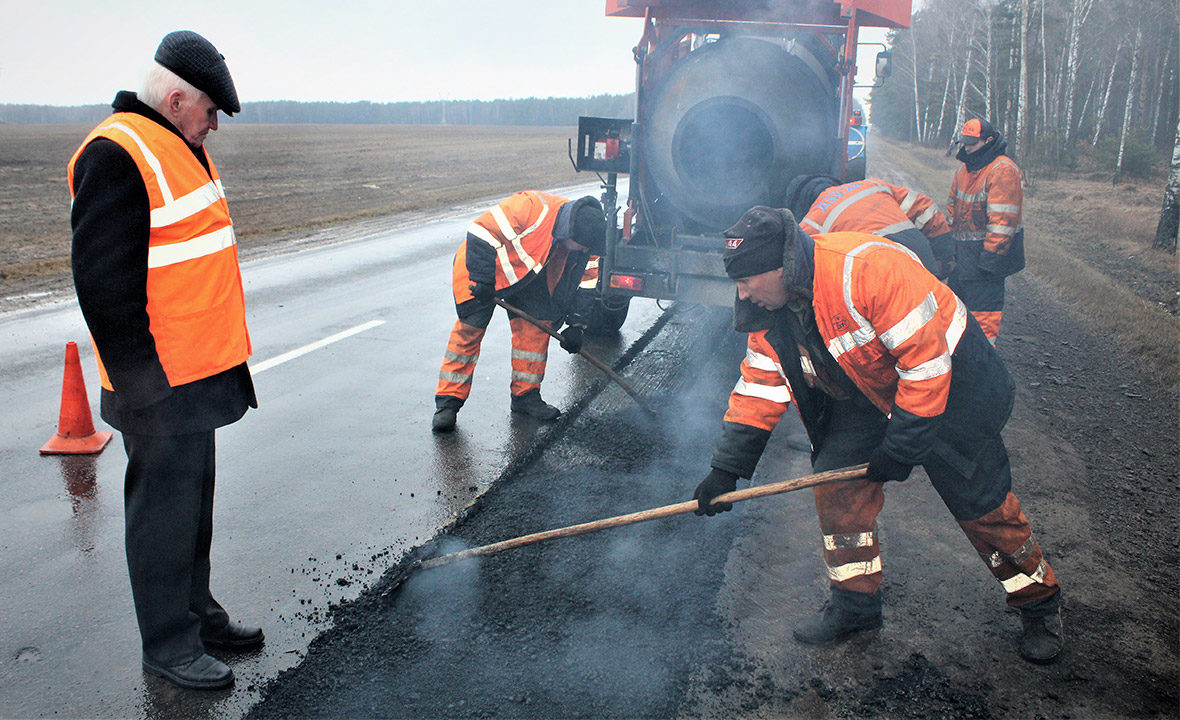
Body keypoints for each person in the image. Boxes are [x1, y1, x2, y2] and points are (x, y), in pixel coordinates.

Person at [692, 206, 1063, 664]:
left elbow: (926, 368)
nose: (742, 293)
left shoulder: (868, 271)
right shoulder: (766, 309)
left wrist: (901, 449)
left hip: (956, 388)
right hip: (870, 391)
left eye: (748, 280)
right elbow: (759, 385)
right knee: (837, 485)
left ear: (783, 268)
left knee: (981, 505)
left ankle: (1038, 602)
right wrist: (725, 470)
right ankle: (854, 605)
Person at [68, 30, 262, 690]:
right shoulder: (118, 153)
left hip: (198, 376)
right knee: (162, 515)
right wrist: (141, 385)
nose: (214, 126)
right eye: (210, 112)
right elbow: (103, 283)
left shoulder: (179, 145)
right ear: (176, 98)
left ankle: (197, 613)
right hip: (157, 384)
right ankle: (167, 644)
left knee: (193, 507)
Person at [432, 191, 606, 432]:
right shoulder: (530, 207)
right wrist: (482, 280)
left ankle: (526, 397)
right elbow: (481, 231)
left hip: (527, 275)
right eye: (582, 246)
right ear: (571, 232)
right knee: (469, 331)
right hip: (481, 267)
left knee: (536, 330)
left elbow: (587, 282)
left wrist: (577, 324)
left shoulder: (590, 239)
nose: (584, 250)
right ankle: (448, 403)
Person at [784, 174, 955, 279]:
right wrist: (943, 251)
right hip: (919, 255)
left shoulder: (812, 222)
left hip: (880, 271)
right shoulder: (872, 185)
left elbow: (797, 268)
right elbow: (925, 209)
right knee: (937, 319)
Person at [947, 118, 1025, 344]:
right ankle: (957, 360)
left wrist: (990, 262)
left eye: (972, 142)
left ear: (989, 140)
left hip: (986, 258)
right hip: (964, 257)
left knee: (983, 319)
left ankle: (983, 365)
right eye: (965, 142)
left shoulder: (1003, 171)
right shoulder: (964, 170)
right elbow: (952, 206)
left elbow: (1002, 222)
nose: (967, 147)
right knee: (955, 313)